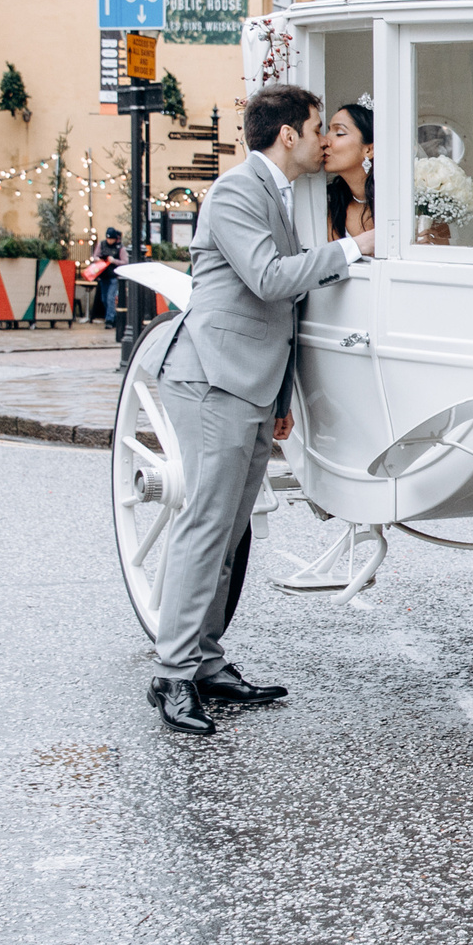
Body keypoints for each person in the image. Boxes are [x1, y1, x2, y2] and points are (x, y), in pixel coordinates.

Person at [145, 83, 375, 736]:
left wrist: (279, 396)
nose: (322, 140)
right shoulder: (236, 191)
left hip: (249, 385)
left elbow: (280, 310)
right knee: (206, 527)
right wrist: (359, 247)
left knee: (228, 530)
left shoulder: (276, 193)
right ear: (287, 136)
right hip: (213, 379)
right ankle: (170, 674)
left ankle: (205, 661)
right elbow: (271, 279)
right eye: (315, 128)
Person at [324, 98, 375, 245]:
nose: (325, 140)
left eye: (339, 133)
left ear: (369, 150)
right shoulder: (333, 203)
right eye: (328, 130)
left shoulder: (402, 203)